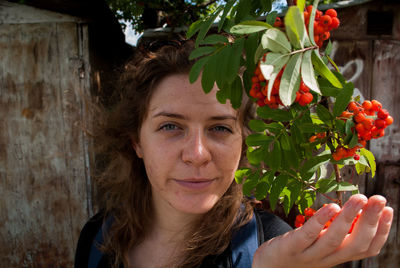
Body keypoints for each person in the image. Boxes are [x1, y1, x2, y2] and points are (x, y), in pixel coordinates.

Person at [74, 39, 393, 268]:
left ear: (243, 143)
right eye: (171, 126)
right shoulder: (97, 237)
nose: (197, 154)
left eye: (220, 128)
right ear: (136, 142)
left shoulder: (270, 243)